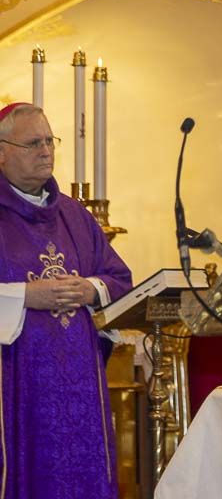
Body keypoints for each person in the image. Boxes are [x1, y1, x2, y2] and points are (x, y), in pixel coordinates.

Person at [0, 103, 133, 499]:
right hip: (16, 381)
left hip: (79, 386)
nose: (46, 151)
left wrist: (90, 289)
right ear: (1, 151)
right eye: (32, 143)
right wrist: (26, 296)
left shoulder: (75, 216)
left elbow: (120, 280)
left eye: (49, 141)